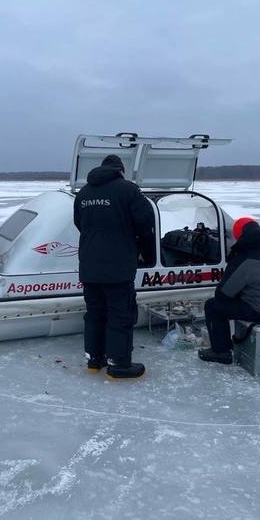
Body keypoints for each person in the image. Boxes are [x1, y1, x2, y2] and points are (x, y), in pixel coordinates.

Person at [73, 154, 155, 379]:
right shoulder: (128, 190)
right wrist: (142, 249)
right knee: (121, 314)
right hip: (117, 266)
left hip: (89, 265)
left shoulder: (84, 193)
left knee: (95, 313)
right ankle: (118, 363)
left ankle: (94, 359)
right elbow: (146, 222)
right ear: (120, 170)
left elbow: (80, 223)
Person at [199, 217, 260, 364]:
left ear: (240, 236)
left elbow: (223, 294)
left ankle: (221, 352)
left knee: (213, 306)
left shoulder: (246, 258)